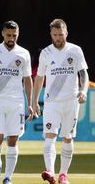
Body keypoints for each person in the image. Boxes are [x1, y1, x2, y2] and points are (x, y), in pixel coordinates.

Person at [31, 19, 89, 184]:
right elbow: (39, 78)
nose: (58, 38)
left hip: (71, 101)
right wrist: (35, 101)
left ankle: (63, 174)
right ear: (51, 34)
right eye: (55, 35)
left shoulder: (75, 51)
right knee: (50, 136)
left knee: (67, 138)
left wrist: (83, 91)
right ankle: (50, 170)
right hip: (51, 103)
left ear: (66, 33)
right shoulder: (46, 53)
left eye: (60, 35)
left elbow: (83, 74)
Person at [0, 20, 33, 184]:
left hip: (16, 103)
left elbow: (28, 79)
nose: (11, 38)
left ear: (18, 34)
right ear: (2, 34)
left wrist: (29, 103)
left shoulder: (23, 53)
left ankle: (8, 177)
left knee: (12, 139)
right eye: (9, 35)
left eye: (14, 35)